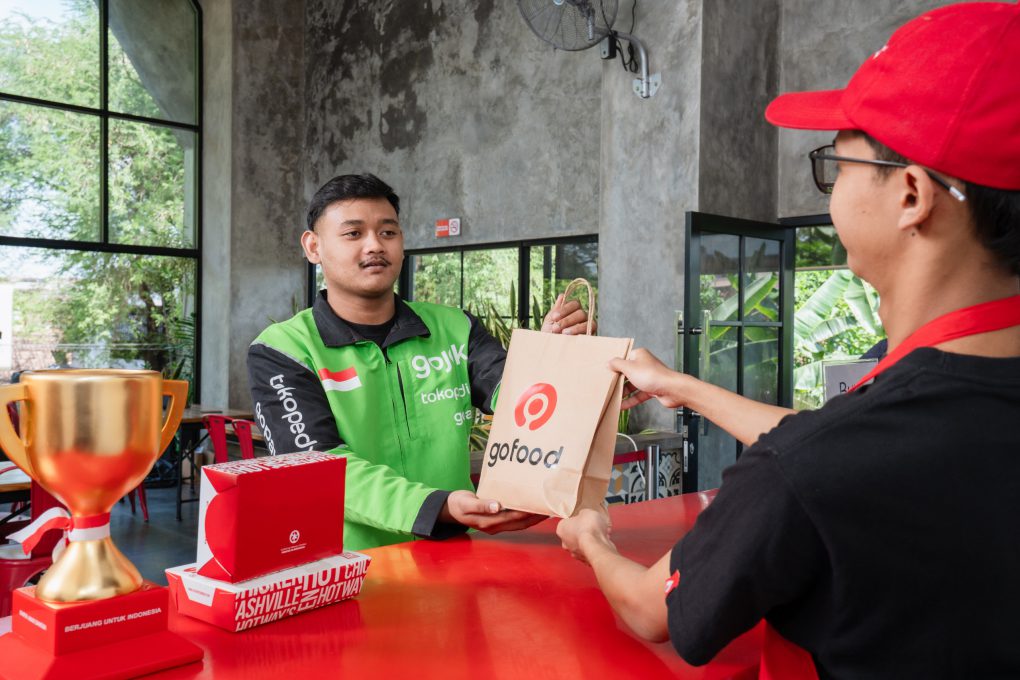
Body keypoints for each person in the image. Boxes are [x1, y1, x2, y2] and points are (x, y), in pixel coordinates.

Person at [556, 3, 1020, 678]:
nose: (832, 189)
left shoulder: (821, 465)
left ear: (912, 195)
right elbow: (860, 446)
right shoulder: (921, 425)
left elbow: (651, 609)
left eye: (838, 164)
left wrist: (593, 538)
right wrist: (680, 386)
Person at [248, 173, 591, 551]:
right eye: (353, 234)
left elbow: (518, 399)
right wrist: (436, 508)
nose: (374, 245)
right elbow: (318, 469)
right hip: (345, 571)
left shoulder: (454, 327)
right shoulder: (283, 350)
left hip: (455, 558)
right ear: (313, 247)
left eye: (388, 232)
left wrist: (555, 359)